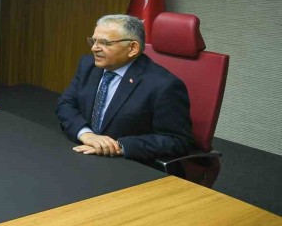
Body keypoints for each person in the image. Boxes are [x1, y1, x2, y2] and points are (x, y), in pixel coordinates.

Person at [56, 14, 194, 163]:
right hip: (83, 152)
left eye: (105, 43)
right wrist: (86, 134)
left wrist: (119, 146)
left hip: (127, 163)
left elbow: (177, 140)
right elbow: (66, 104)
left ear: (132, 48)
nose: (94, 48)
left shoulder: (164, 85)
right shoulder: (88, 65)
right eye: (93, 41)